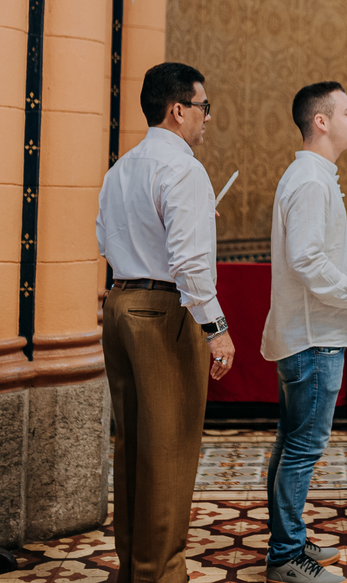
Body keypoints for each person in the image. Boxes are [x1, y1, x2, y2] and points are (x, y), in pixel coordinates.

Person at [97, 62, 235, 583]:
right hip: (163, 313)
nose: (205, 119)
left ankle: (134, 566)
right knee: (170, 448)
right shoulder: (184, 168)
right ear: (178, 110)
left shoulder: (123, 166)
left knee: (134, 444)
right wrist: (216, 328)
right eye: (203, 107)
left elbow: (106, 237)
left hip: (120, 303)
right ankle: (161, 573)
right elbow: (190, 265)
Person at [261, 82, 347, 583]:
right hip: (315, 338)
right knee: (302, 447)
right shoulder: (311, 180)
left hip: (309, 331)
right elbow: (307, 262)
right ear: (322, 121)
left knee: (290, 442)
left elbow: (313, 256)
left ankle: (287, 536)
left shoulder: (311, 175)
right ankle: (286, 555)